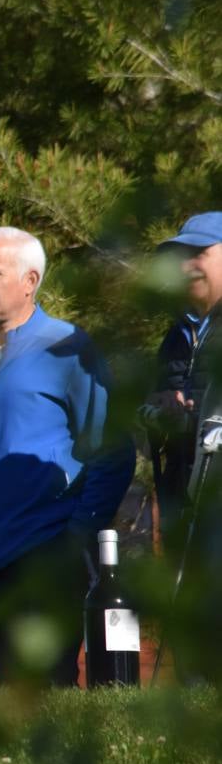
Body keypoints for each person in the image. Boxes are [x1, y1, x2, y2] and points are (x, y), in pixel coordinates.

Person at [0, 227, 134, 686]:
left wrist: (77, 534)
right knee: (14, 695)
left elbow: (113, 450)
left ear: (29, 280)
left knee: (47, 690)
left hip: (47, 553)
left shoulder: (68, 349)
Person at [141, 213, 222, 535]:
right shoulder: (177, 334)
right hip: (184, 509)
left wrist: (195, 417)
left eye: (198, 254)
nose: (185, 267)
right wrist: (157, 411)